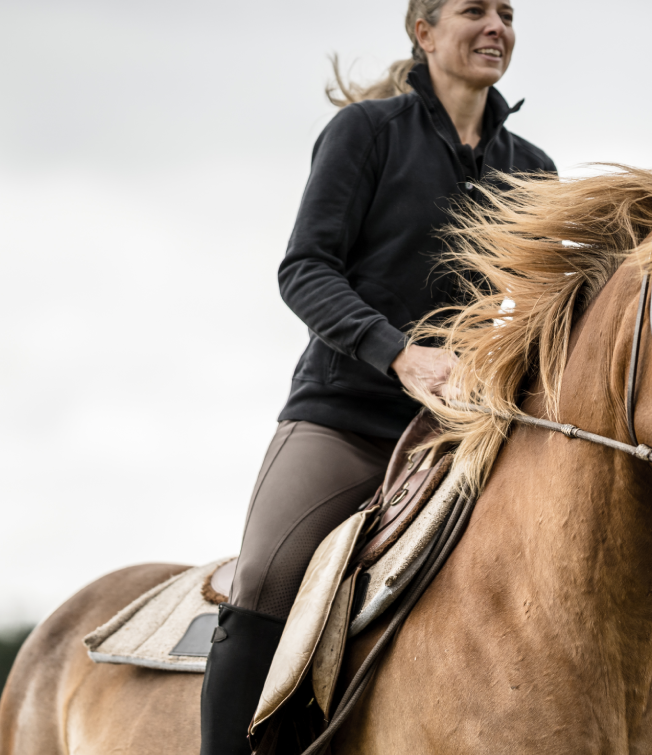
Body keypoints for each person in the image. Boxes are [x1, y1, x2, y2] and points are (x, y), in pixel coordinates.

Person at [199, 1, 555, 752]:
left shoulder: (533, 170)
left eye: (507, 13)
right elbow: (303, 269)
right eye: (473, 10)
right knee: (266, 578)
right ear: (424, 32)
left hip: (462, 438)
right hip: (344, 419)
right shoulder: (365, 134)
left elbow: (543, 311)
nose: (496, 26)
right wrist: (400, 353)